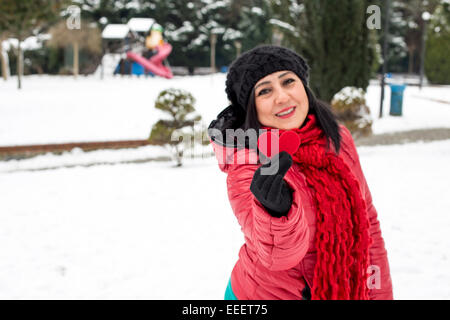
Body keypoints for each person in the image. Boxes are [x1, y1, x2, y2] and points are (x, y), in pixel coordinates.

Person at [208, 45, 393, 300]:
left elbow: (368, 222)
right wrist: (276, 213)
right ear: (251, 107)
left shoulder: (337, 139)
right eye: (265, 90)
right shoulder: (247, 162)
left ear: (304, 87)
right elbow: (277, 257)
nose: (282, 97)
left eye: (288, 82)